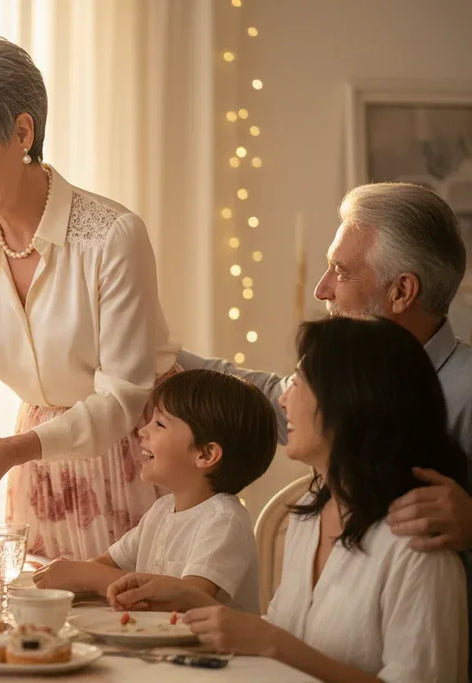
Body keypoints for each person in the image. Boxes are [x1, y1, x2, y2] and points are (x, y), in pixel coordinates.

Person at [0, 33, 179, 560]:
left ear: (22, 131)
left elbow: (124, 397)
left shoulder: (111, 235)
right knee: (36, 628)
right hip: (37, 466)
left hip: (139, 454)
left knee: (127, 625)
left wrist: (20, 449)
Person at [111, 317, 469, 682]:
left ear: (350, 401)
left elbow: (279, 644)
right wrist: (190, 599)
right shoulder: (309, 518)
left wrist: (270, 643)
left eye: (297, 383)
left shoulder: (417, 548)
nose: (282, 400)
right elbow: (285, 634)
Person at [179, 182, 472, 552]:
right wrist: (159, 355)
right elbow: (267, 398)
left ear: (401, 292)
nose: (322, 289)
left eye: (340, 270)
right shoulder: (341, 380)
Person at [32, 370, 275, 612]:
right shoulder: (161, 510)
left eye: (159, 423)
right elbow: (107, 563)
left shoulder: (224, 520)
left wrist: (87, 576)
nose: (142, 431)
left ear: (205, 454)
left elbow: (188, 599)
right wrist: (71, 573)